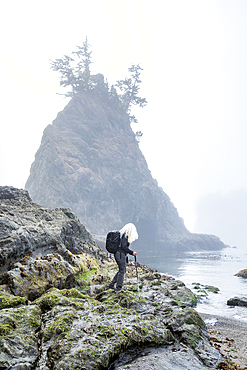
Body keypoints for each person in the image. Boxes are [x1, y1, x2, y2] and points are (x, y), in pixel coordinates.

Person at [106, 223, 138, 293]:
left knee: (121, 270)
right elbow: (124, 247)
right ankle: (118, 288)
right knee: (122, 271)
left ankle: (111, 285)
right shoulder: (125, 235)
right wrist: (132, 252)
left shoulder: (121, 235)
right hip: (120, 255)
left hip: (118, 254)